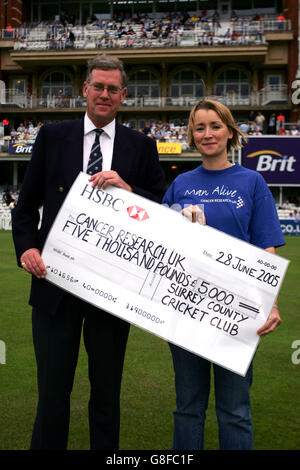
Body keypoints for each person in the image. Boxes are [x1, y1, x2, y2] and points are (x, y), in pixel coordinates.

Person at [12, 54, 166, 450]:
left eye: (113, 88)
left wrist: (129, 190)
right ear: (85, 89)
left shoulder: (142, 146)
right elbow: (25, 207)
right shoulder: (52, 136)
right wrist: (28, 247)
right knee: (52, 393)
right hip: (54, 285)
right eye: (98, 86)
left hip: (112, 290)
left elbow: (162, 211)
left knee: (106, 395)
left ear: (123, 95)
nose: (104, 94)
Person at [162, 99, 285, 450]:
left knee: (234, 410)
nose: (207, 134)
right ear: (192, 135)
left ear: (229, 131)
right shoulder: (181, 183)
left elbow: (265, 248)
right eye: (199, 128)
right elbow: (162, 244)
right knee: (188, 408)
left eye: (215, 126)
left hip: (238, 312)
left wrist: (270, 303)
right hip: (186, 310)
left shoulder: (252, 181)